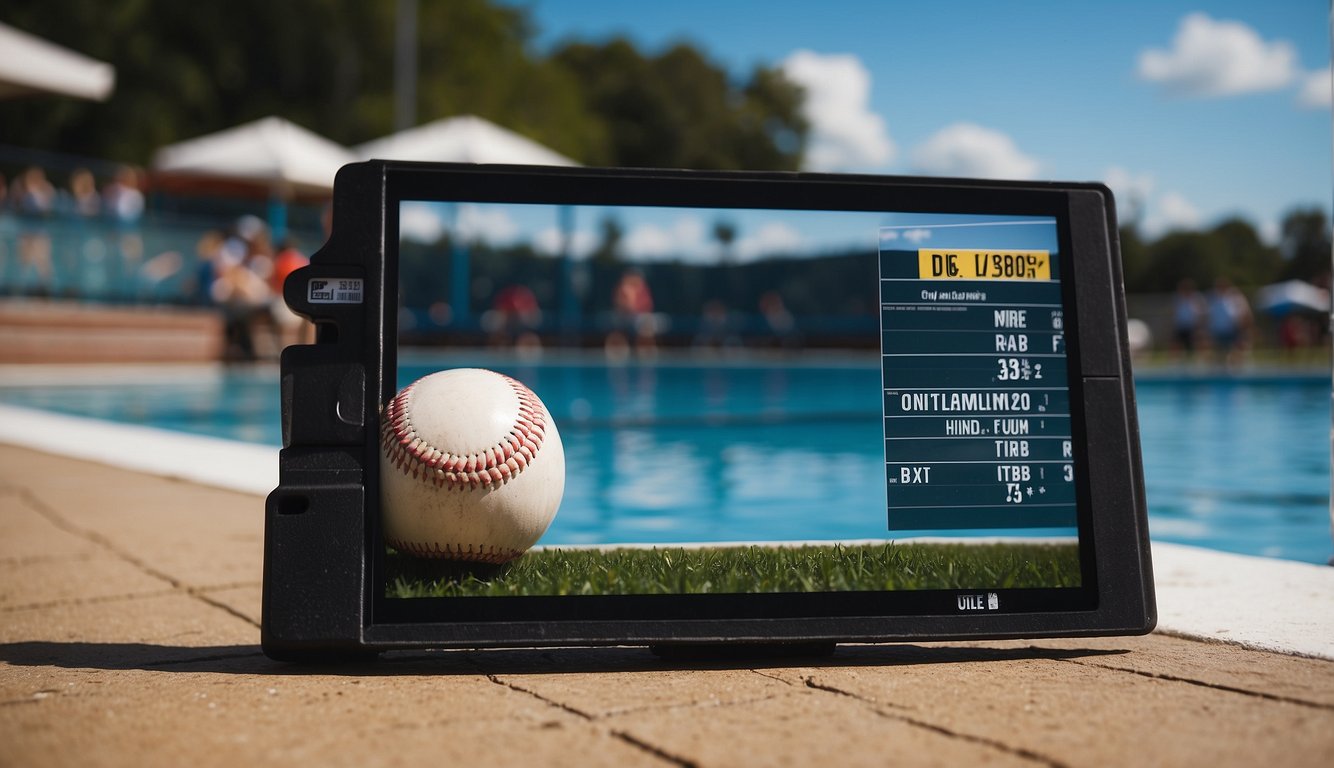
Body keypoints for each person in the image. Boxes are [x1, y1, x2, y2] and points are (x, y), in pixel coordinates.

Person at [606, 269, 656, 359]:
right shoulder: (622, 288)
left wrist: (636, 309)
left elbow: (647, 304)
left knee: (646, 326)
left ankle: (645, 353)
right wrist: (627, 308)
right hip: (624, 315)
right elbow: (618, 303)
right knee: (616, 329)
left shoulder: (642, 289)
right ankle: (618, 354)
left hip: (639, 315)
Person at [1207, 277, 1251, 367]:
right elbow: (1209, 316)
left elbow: (1244, 313)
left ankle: (1236, 369)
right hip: (1218, 331)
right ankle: (1220, 370)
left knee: (1235, 352)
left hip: (1232, 330)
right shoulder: (1213, 299)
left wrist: (1242, 326)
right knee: (1219, 353)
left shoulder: (1234, 297)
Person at [1171, 278, 1204, 358]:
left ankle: (1196, 360)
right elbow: (1175, 314)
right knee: (1177, 346)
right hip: (1181, 327)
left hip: (1192, 327)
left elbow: (1200, 313)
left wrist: (1199, 327)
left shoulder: (1196, 299)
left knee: (1195, 346)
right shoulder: (1178, 299)